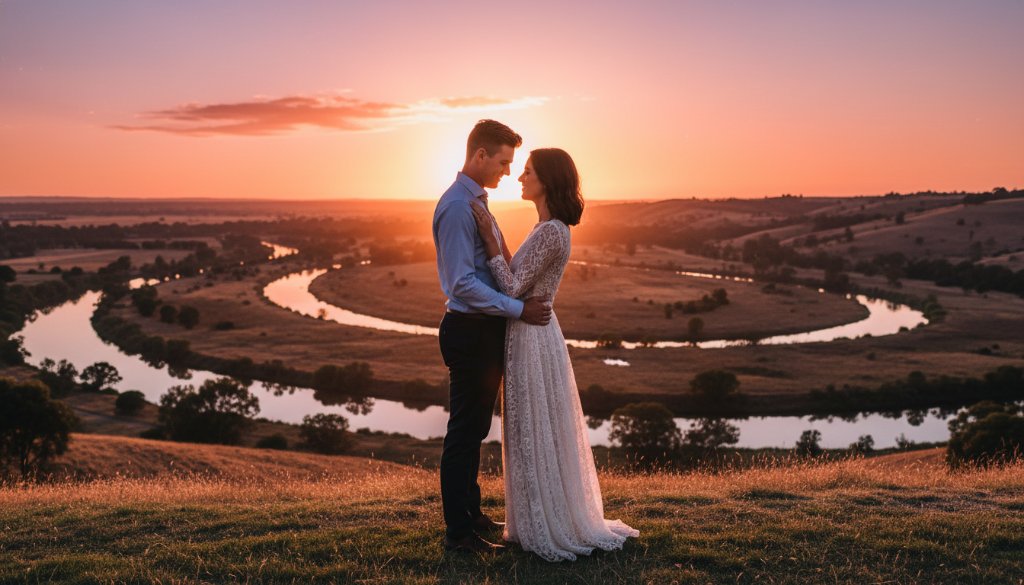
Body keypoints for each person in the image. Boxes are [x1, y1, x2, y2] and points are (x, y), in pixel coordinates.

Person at [469, 147, 639, 562]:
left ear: (548, 180)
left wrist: (489, 239)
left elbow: (510, 288)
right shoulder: (547, 227)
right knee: (534, 426)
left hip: (531, 335)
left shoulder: (550, 231)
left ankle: (545, 524)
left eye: (527, 171)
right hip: (533, 332)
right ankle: (534, 518)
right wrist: (501, 242)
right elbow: (520, 276)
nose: (520, 177)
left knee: (532, 426)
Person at [432, 119, 552, 554]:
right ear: (480, 155)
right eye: (502, 162)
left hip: (483, 331)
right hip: (469, 332)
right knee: (464, 431)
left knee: (477, 427)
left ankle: (472, 514)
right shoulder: (458, 208)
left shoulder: (477, 203)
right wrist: (520, 309)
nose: (507, 171)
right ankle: (458, 534)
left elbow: (495, 266)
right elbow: (462, 284)